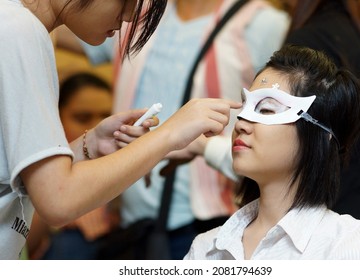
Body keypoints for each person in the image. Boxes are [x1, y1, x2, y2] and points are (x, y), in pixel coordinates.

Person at [0, 0, 241, 259]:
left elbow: (24, 178)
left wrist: (90, 144)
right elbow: (58, 199)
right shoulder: (21, 30)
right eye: (129, 1)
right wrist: (169, 135)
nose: (129, 17)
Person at [181, 0, 360, 247]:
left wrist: (203, 147)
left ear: (325, 134)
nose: (243, 123)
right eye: (246, 105)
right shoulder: (359, 37)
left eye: (267, 109)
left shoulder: (315, 44)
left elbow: (281, 149)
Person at [108, 0, 289, 259]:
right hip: (130, 214)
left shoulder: (262, 22)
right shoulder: (135, 11)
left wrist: (205, 147)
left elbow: (286, 128)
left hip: (211, 214)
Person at [27, 72, 120, 259]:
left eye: (106, 117)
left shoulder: (123, 156)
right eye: (82, 118)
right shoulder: (32, 161)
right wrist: (57, 218)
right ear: (56, 118)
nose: (96, 127)